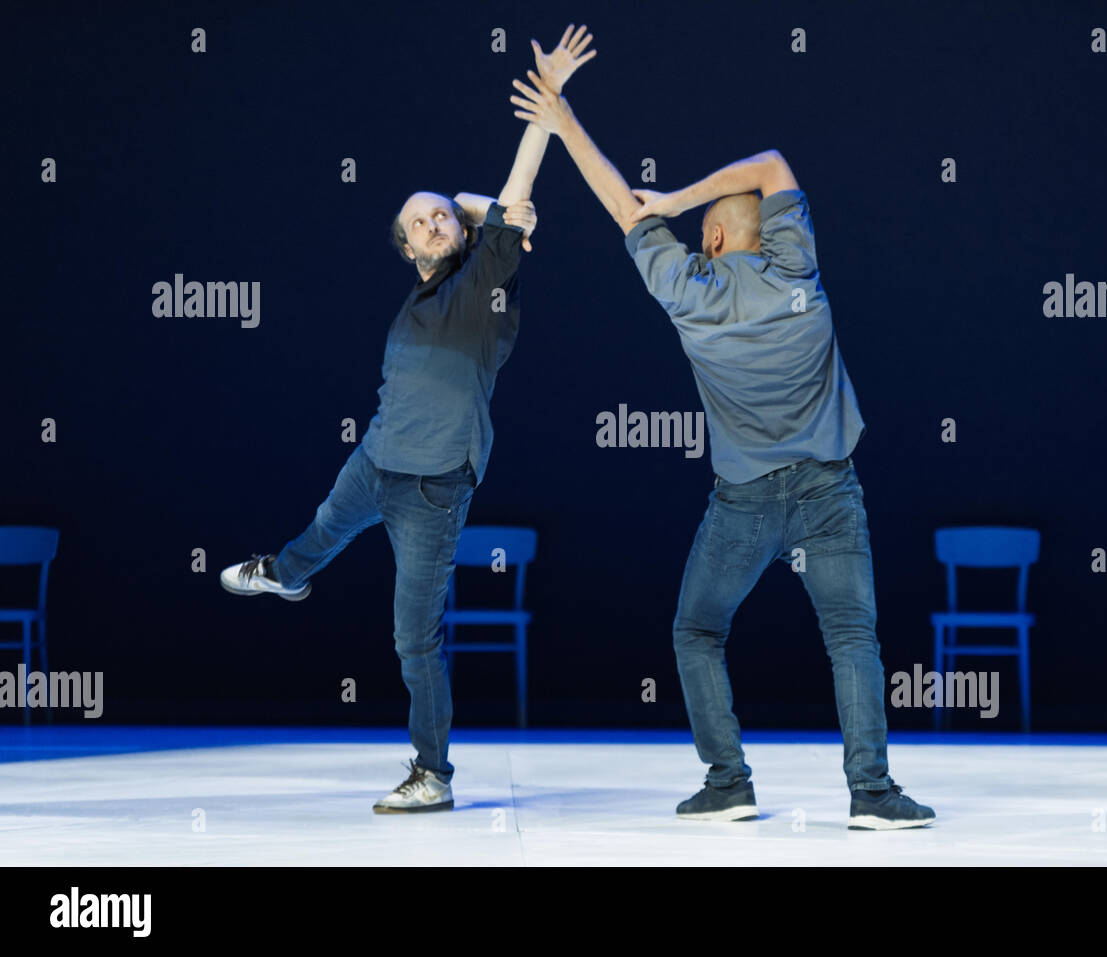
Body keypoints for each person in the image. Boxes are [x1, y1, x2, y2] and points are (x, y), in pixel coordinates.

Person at [509, 72, 935, 829]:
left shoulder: (687, 287)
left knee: (697, 631)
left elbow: (617, 204)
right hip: (831, 493)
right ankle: (872, 793)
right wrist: (678, 197)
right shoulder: (796, 268)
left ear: (710, 240)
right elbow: (770, 162)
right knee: (851, 637)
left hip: (743, 503)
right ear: (762, 231)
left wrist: (566, 120)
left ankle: (728, 781)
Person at [219, 26, 596, 814]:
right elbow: (459, 210)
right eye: (418, 222)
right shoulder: (415, 295)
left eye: (441, 218)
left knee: (412, 638)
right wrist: (456, 205)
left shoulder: (486, 279)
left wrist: (548, 102)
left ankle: (433, 774)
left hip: (434, 486)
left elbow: (511, 184)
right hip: (375, 460)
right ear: (406, 247)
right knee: (319, 533)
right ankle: (283, 576)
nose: (433, 222)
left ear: (464, 236)